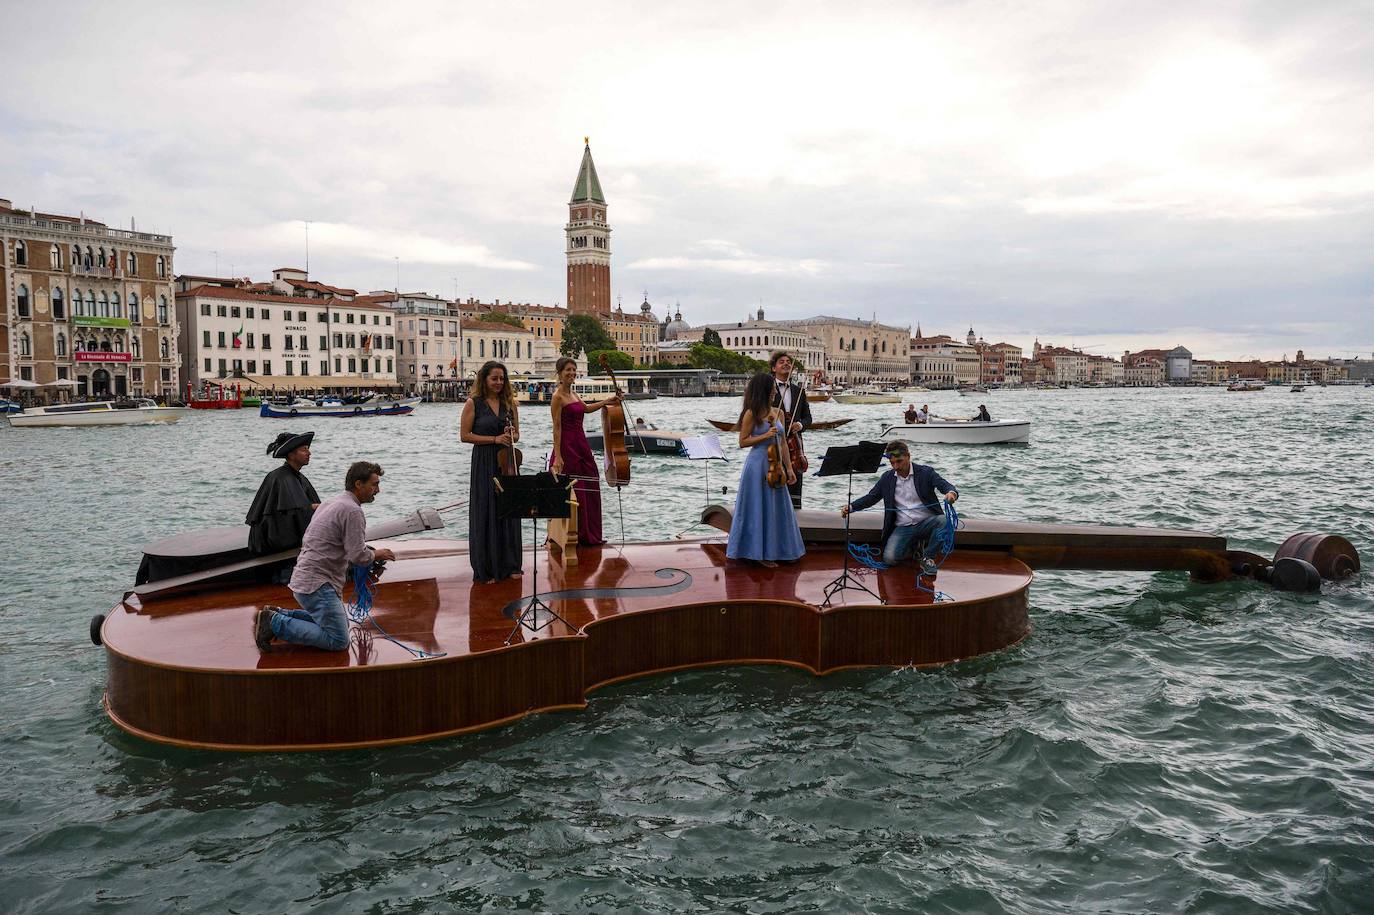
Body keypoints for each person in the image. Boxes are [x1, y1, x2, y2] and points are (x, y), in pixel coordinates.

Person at [253, 461, 396, 652]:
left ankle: (277, 613)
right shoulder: (353, 511)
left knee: (340, 625)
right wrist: (378, 553)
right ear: (358, 484)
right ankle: (276, 623)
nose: (378, 490)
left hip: (305, 579)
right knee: (338, 640)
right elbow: (357, 556)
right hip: (318, 586)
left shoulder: (332, 502)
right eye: (374, 484)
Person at [841, 440, 958, 578]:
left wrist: (951, 493)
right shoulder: (887, 478)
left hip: (927, 522)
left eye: (899, 461)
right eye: (892, 463)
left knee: (945, 520)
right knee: (890, 558)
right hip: (903, 527)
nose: (896, 466)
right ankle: (913, 547)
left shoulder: (926, 472)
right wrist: (852, 507)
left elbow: (945, 485)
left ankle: (928, 558)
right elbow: (871, 497)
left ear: (908, 456)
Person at [726, 372, 805, 568]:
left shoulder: (777, 412)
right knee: (757, 508)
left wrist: (789, 468)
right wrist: (765, 435)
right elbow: (743, 442)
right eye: (771, 389)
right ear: (763, 390)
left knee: (777, 508)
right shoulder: (751, 413)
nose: (774, 392)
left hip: (776, 464)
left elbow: (783, 443)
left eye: (774, 389)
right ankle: (757, 553)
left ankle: (781, 550)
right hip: (757, 465)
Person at [460, 360, 523, 582]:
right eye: (494, 378)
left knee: (509, 510)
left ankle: (511, 565)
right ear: (484, 379)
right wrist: (495, 438)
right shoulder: (473, 403)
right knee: (485, 510)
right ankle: (486, 568)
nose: (498, 382)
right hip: (484, 461)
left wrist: (510, 435)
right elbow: (465, 435)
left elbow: (517, 436)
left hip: (506, 462)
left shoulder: (510, 403)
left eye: (501, 378)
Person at [550, 355, 622, 546]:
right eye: (568, 370)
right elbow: (556, 428)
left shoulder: (573, 394)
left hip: (581, 444)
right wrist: (558, 456)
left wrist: (607, 401)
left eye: (574, 370)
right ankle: (574, 536)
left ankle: (590, 534)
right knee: (574, 491)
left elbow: (586, 409)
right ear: (560, 373)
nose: (572, 373)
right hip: (567, 446)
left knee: (590, 485)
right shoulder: (557, 397)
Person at [245, 431, 320, 555]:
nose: (309, 453)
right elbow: (288, 516)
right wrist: (312, 507)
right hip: (273, 544)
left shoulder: (298, 477)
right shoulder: (281, 478)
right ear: (291, 455)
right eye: (304, 450)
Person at [768, 351, 813, 510]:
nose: (786, 363)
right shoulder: (767, 390)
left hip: (795, 448)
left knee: (795, 493)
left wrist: (800, 425)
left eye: (788, 361)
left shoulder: (799, 391)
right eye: (782, 361)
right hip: (773, 445)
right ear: (774, 368)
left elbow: (808, 418)